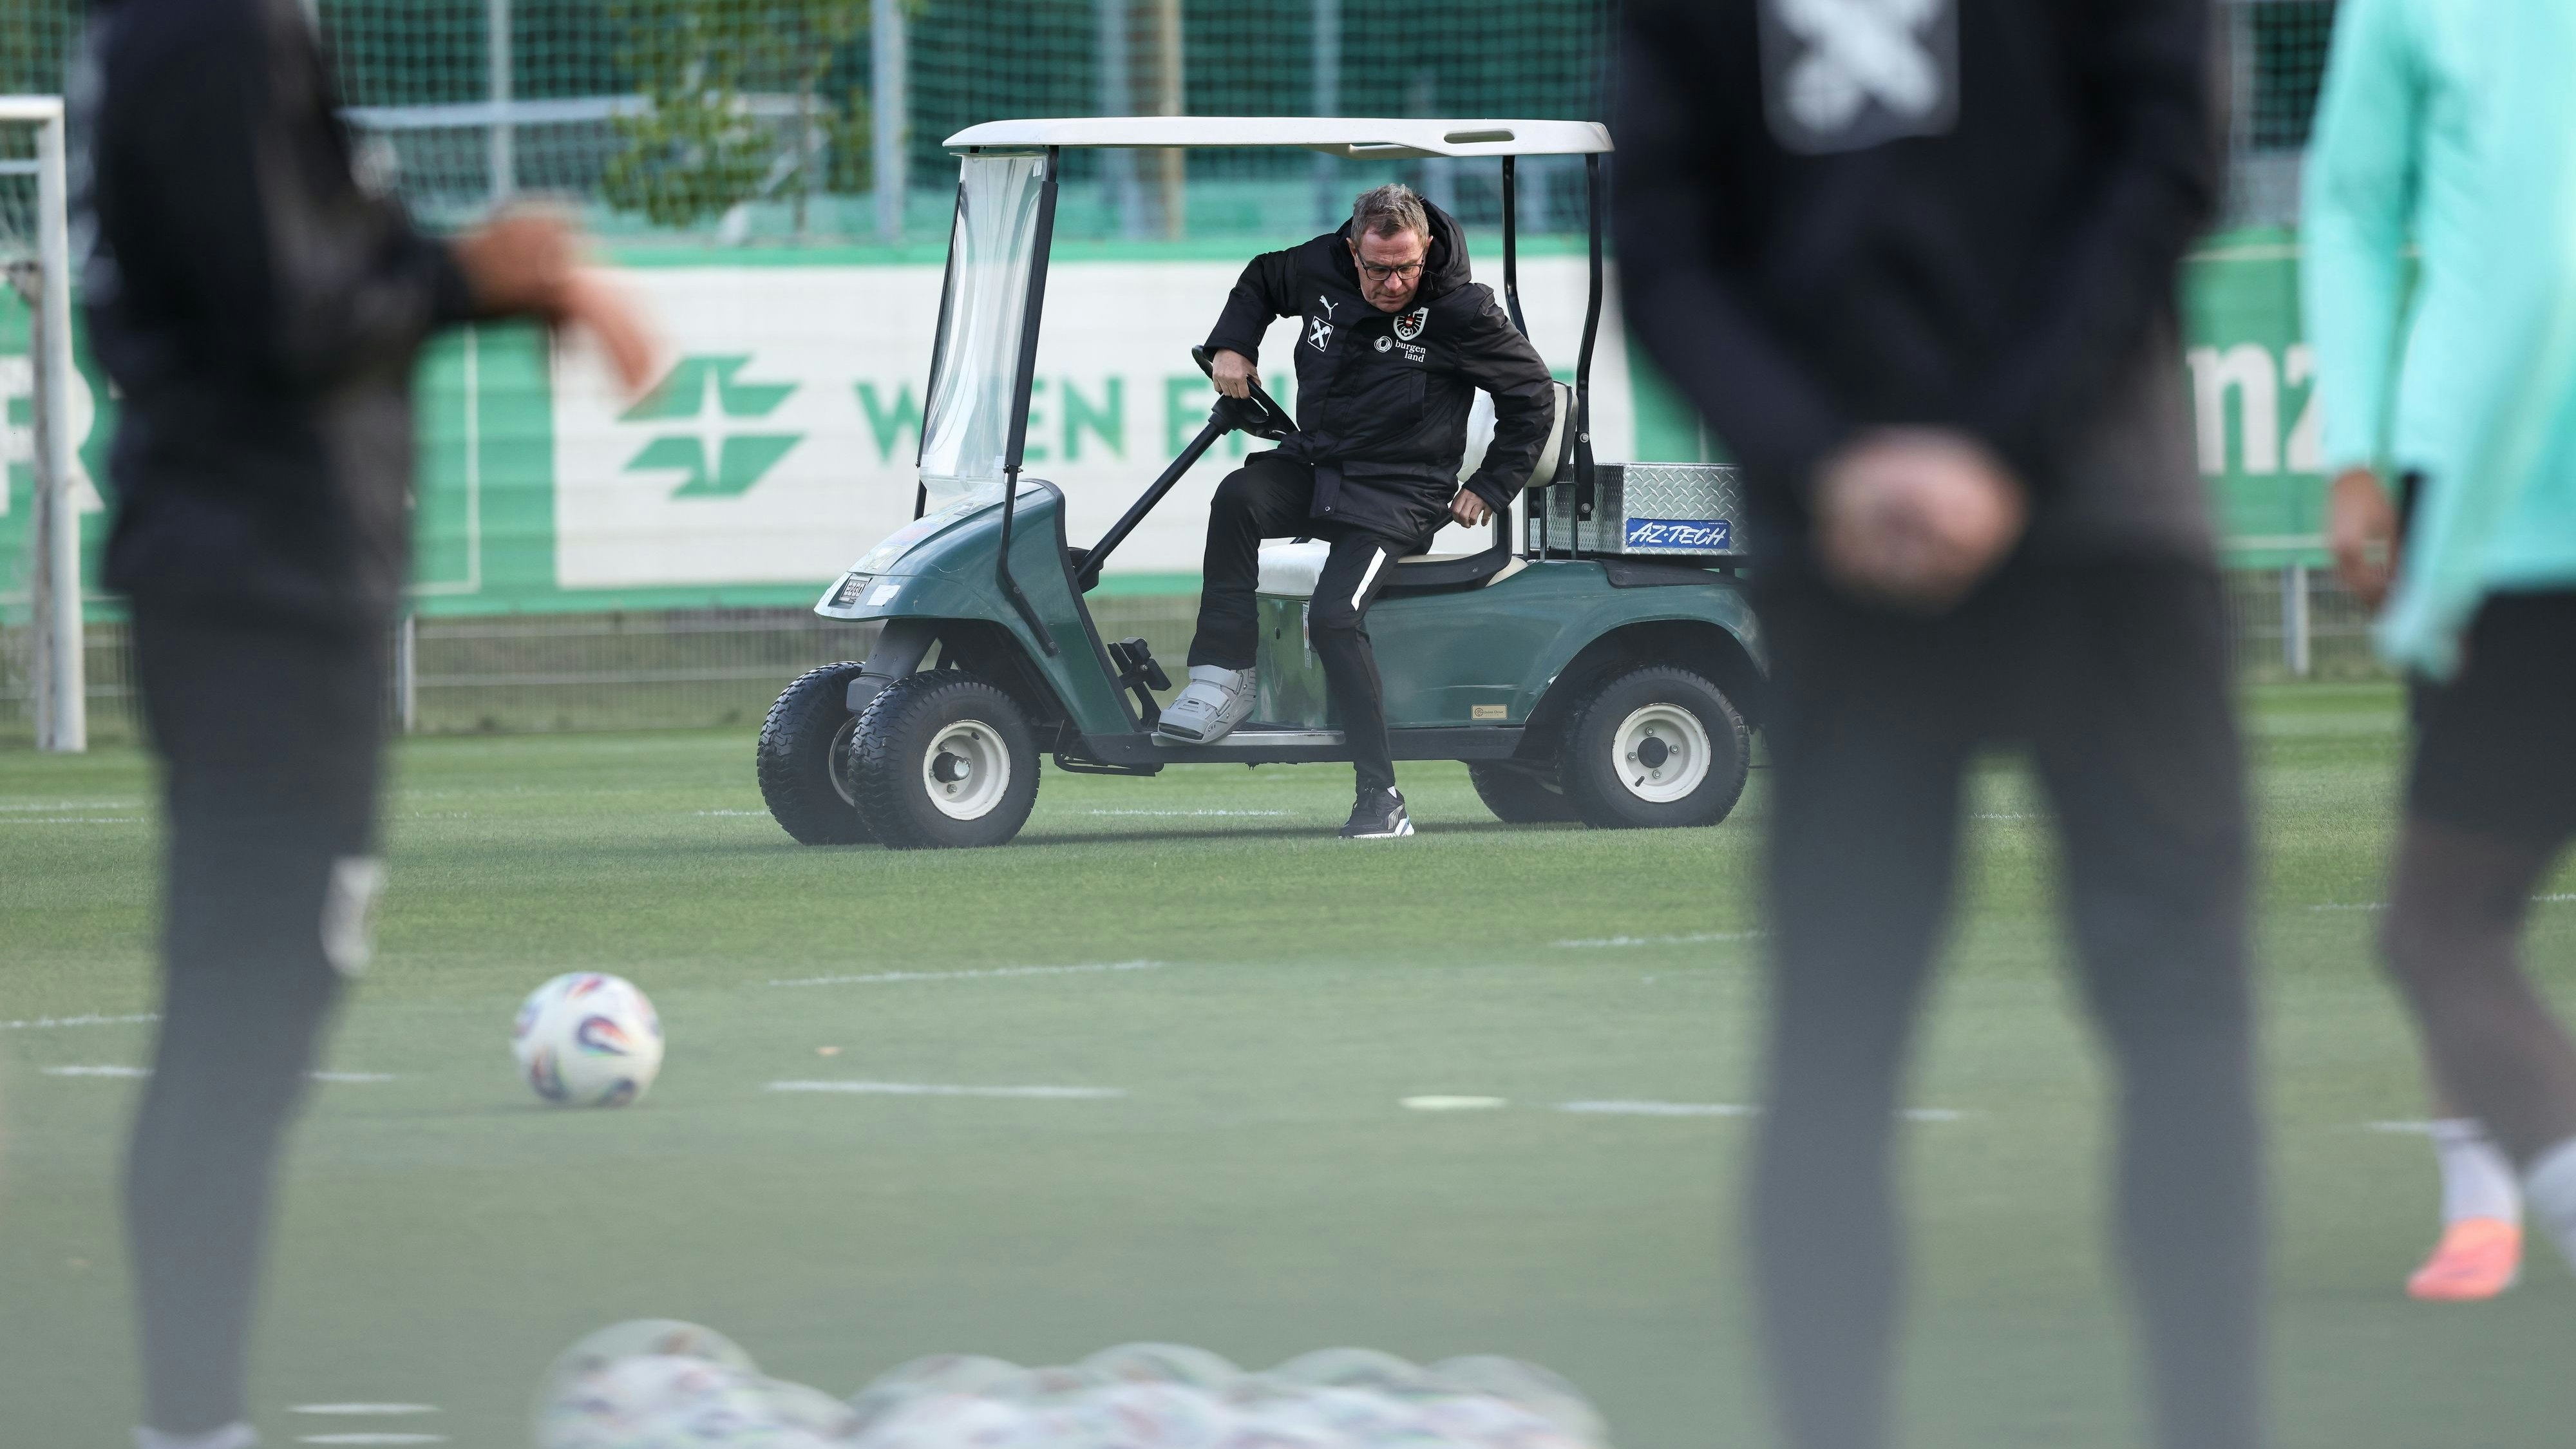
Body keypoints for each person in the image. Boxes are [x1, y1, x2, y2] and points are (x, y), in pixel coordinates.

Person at [1616, 3, 2259, 1448]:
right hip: (2078, 513)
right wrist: (1959, 451)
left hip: (1951, 537)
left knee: (1857, 1036)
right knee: (2144, 1022)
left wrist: (1840, 466)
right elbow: (2165, 145)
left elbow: (1662, 234)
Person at [71, 2, 655, 1446]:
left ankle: (194, 1418)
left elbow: (299, 272)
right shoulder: (210, 24)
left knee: (256, 1006)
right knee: (244, 1014)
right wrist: (479, 274)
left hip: (258, 580)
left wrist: (475, 278)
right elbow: (290, 316)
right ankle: (193, 1422)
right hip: (256, 588)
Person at [2304, 0, 2576, 1306]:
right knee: (2456, 904)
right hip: (2485, 492)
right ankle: (2478, 1204)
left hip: (2496, 509)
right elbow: (2350, 203)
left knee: (2438, 922)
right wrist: (2352, 442)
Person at [1158, 182, 1556, 838]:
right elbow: (1262, 279)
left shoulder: (1462, 311)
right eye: (1378, 269)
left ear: (1426, 247)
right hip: (1318, 467)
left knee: (1334, 616)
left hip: (1398, 494)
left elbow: (1532, 395)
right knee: (1237, 498)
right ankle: (1223, 674)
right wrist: (1233, 345)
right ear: (1353, 249)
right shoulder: (1319, 266)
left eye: (1406, 266)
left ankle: (1383, 797)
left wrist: (1491, 484)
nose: (1394, 283)